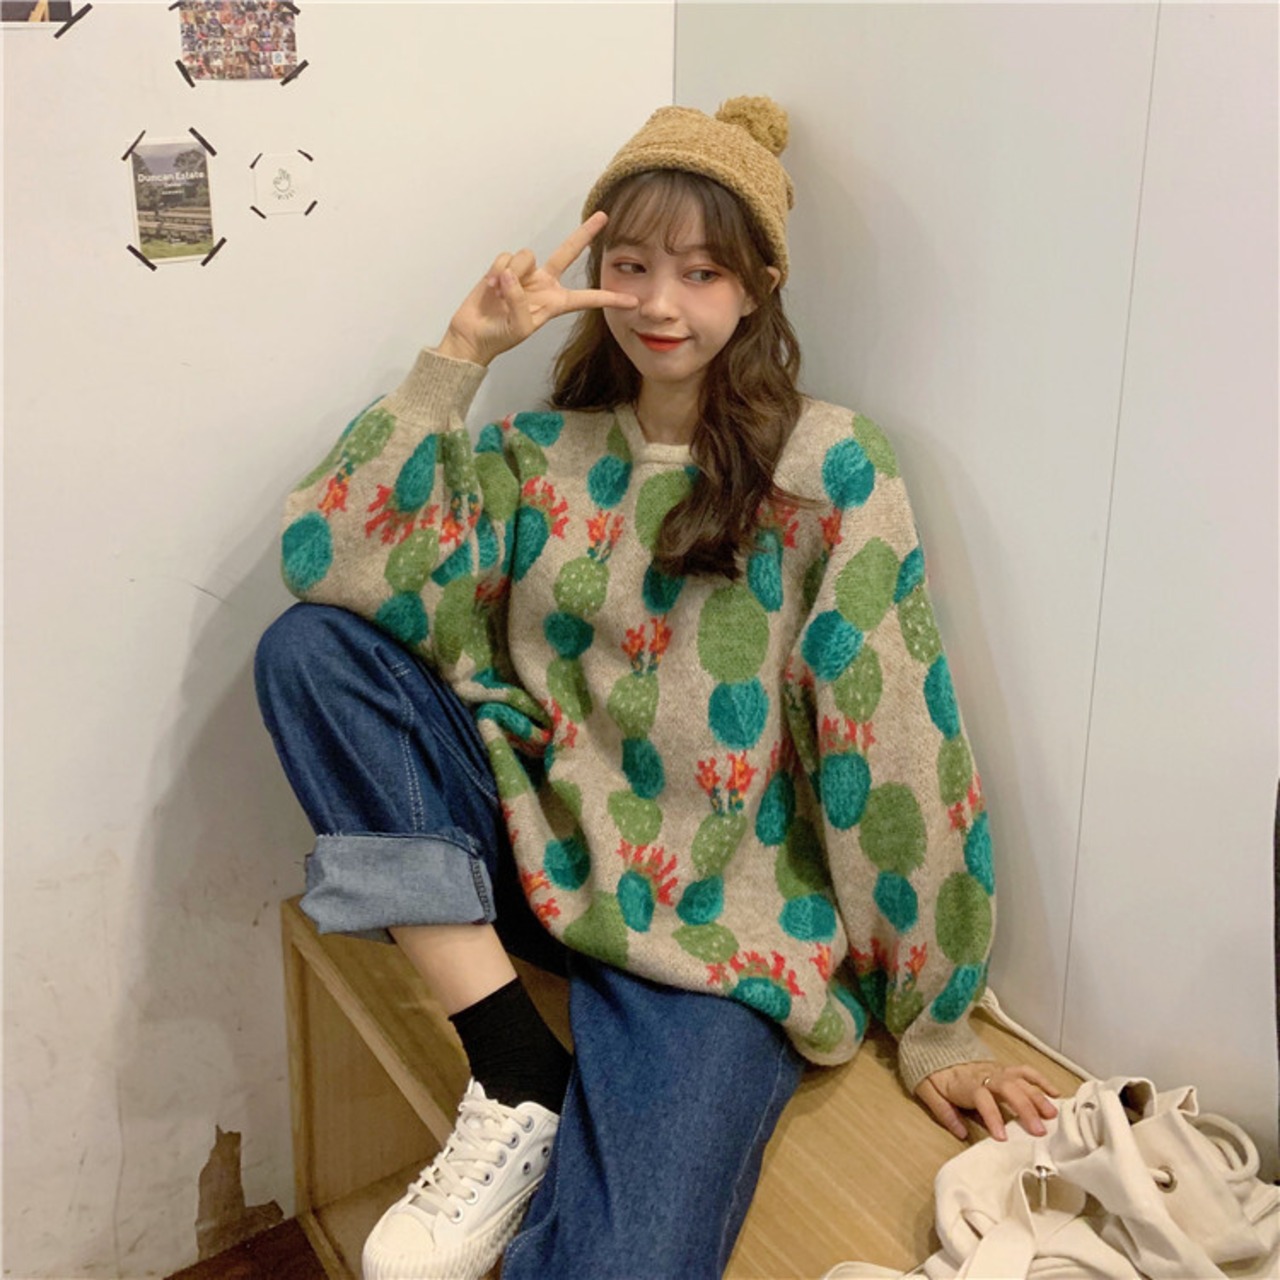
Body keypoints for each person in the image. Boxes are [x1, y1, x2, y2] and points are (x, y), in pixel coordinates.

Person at [254, 97, 1059, 1280]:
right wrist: (461, 355)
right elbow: (334, 562)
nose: (658, 304)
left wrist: (933, 1014)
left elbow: (888, 735)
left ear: (758, 286)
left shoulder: (829, 467)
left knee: (630, 1258)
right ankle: (514, 1070)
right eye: (629, 266)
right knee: (309, 651)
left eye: (700, 271)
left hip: (716, 918)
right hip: (533, 847)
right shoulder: (541, 451)